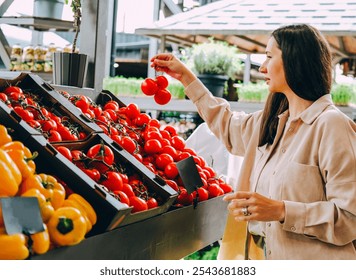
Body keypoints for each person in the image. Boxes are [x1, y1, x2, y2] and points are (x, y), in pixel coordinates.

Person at [150, 24, 356, 260]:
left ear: (295, 60)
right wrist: (186, 77)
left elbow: (350, 218)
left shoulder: (331, 125)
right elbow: (225, 124)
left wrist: (281, 210)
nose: (263, 66)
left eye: (269, 56)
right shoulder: (271, 123)